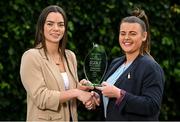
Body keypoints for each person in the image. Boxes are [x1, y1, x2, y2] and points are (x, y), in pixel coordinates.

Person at [84, 8, 165, 121]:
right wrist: (98, 98)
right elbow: (109, 96)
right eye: (123, 33)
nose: (126, 38)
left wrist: (119, 94)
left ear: (144, 36)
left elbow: (152, 106)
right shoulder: (116, 63)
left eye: (132, 34)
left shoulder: (151, 67)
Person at [20, 5, 94, 121]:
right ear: (41, 28)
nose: (56, 28)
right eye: (50, 24)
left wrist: (81, 90)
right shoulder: (31, 56)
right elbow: (41, 98)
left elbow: (69, 99)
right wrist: (76, 92)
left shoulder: (70, 56)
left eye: (61, 24)